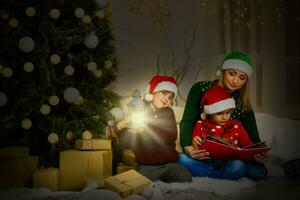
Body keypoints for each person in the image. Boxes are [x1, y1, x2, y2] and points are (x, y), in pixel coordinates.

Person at [179, 50, 268, 181]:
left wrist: (258, 152)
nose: (235, 81)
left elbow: (253, 137)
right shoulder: (200, 88)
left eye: (242, 77)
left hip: (231, 158)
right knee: (181, 159)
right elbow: (188, 121)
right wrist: (187, 146)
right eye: (231, 74)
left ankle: (212, 173)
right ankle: (221, 173)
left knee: (258, 172)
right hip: (205, 156)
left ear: (246, 81)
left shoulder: (243, 101)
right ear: (223, 71)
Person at [114, 74, 192, 183]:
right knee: (142, 182)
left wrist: (146, 130)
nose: (167, 99)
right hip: (147, 165)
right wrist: (119, 127)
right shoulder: (138, 110)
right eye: (164, 93)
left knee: (185, 176)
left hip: (169, 164)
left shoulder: (168, 112)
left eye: (170, 97)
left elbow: (171, 134)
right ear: (152, 93)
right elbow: (128, 140)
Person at [190, 85, 259, 180]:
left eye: (228, 112)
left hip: (229, 162)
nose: (225, 117)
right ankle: (219, 174)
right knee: (182, 158)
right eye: (220, 113)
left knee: (240, 166)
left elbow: (247, 144)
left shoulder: (236, 125)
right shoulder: (200, 124)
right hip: (206, 161)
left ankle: (210, 175)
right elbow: (195, 141)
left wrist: (256, 152)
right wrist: (195, 140)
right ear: (210, 112)